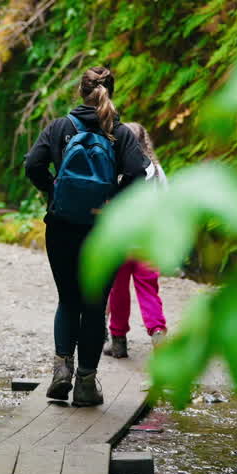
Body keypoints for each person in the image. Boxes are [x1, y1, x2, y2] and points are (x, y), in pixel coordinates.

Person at [24, 66, 149, 406]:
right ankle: (85, 385)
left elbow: (32, 165)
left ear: (81, 92)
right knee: (93, 307)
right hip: (104, 232)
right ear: (111, 91)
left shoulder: (59, 127)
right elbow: (140, 174)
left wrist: (55, 192)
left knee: (68, 299)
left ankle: (61, 369)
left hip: (62, 226)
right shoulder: (119, 133)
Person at [103, 122, 168, 359]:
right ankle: (158, 332)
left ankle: (118, 342)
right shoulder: (157, 172)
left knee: (117, 291)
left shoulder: (113, 169)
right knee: (149, 291)